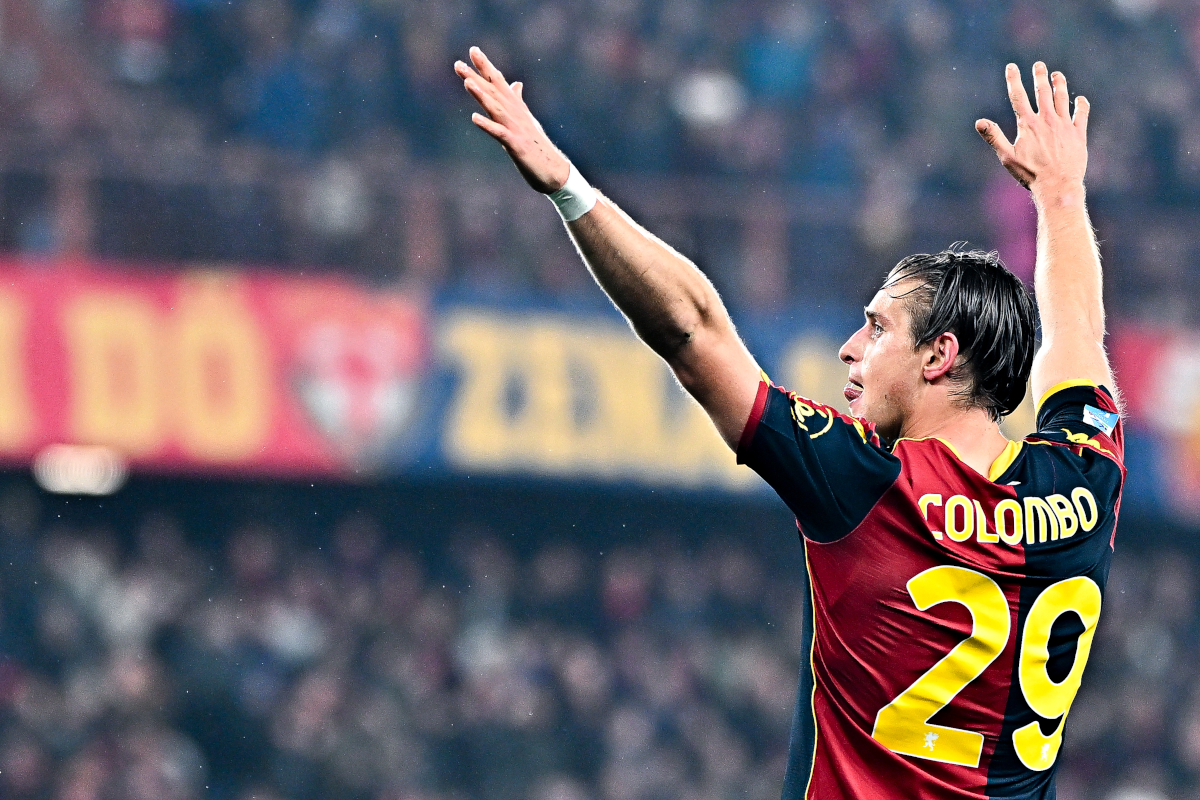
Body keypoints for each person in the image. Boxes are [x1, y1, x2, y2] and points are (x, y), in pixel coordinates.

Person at [455, 49, 1122, 800]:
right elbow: (1078, 339)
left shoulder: (866, 483)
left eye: (876, 329)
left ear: (939, 356)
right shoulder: (1085, 478)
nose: (850, 348)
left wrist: (567, 188)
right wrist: (1062, 195)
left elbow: (692, 332)